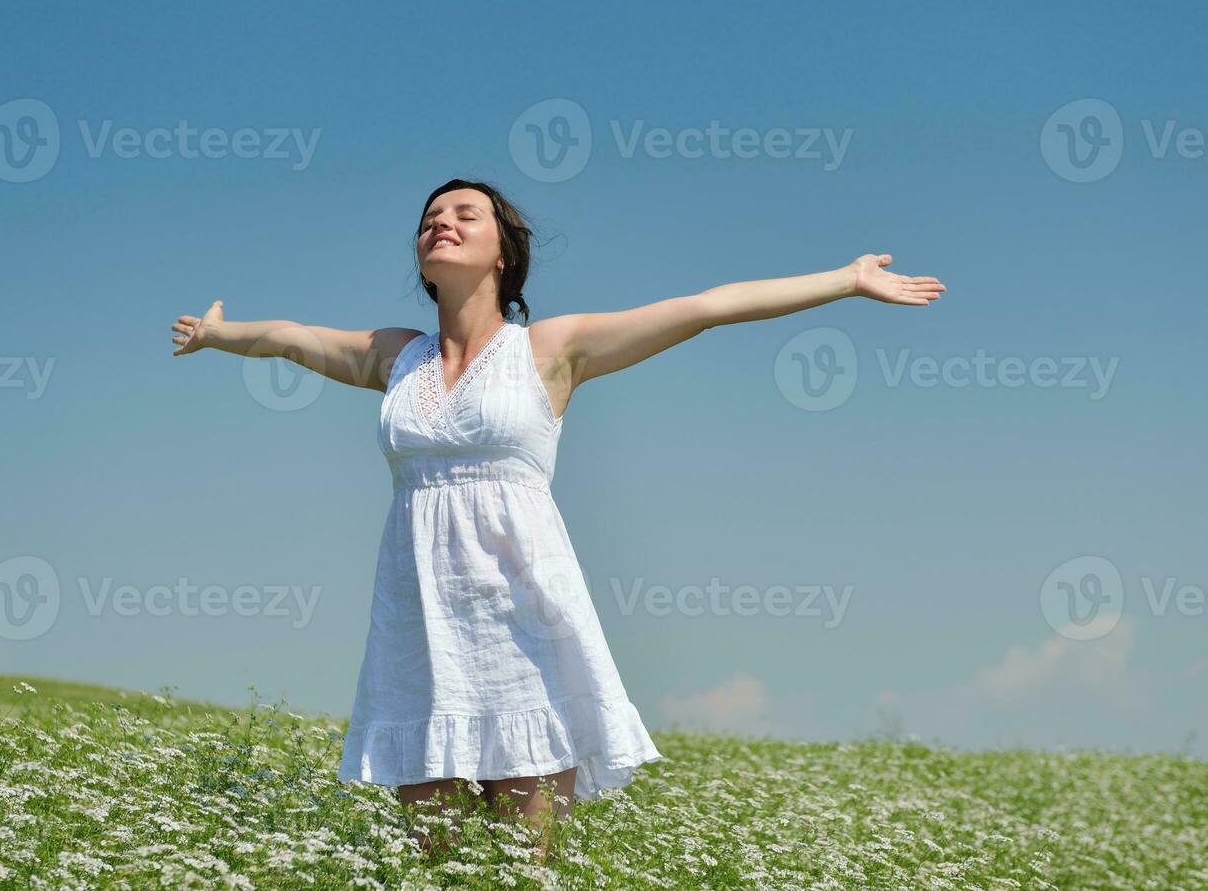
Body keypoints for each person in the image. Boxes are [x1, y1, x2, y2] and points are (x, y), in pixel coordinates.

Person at [169, 178, 946, 860]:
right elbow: (291, 341)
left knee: (520, 866)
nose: (440, 221)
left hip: (526, 634)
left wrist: (845, 280)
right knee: (435, 867)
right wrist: (215, 336)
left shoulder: (549, 349)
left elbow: (703, 308)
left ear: (502, 252)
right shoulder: (392, 357)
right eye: (429, 216)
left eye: (463, 213)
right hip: (422, 636)